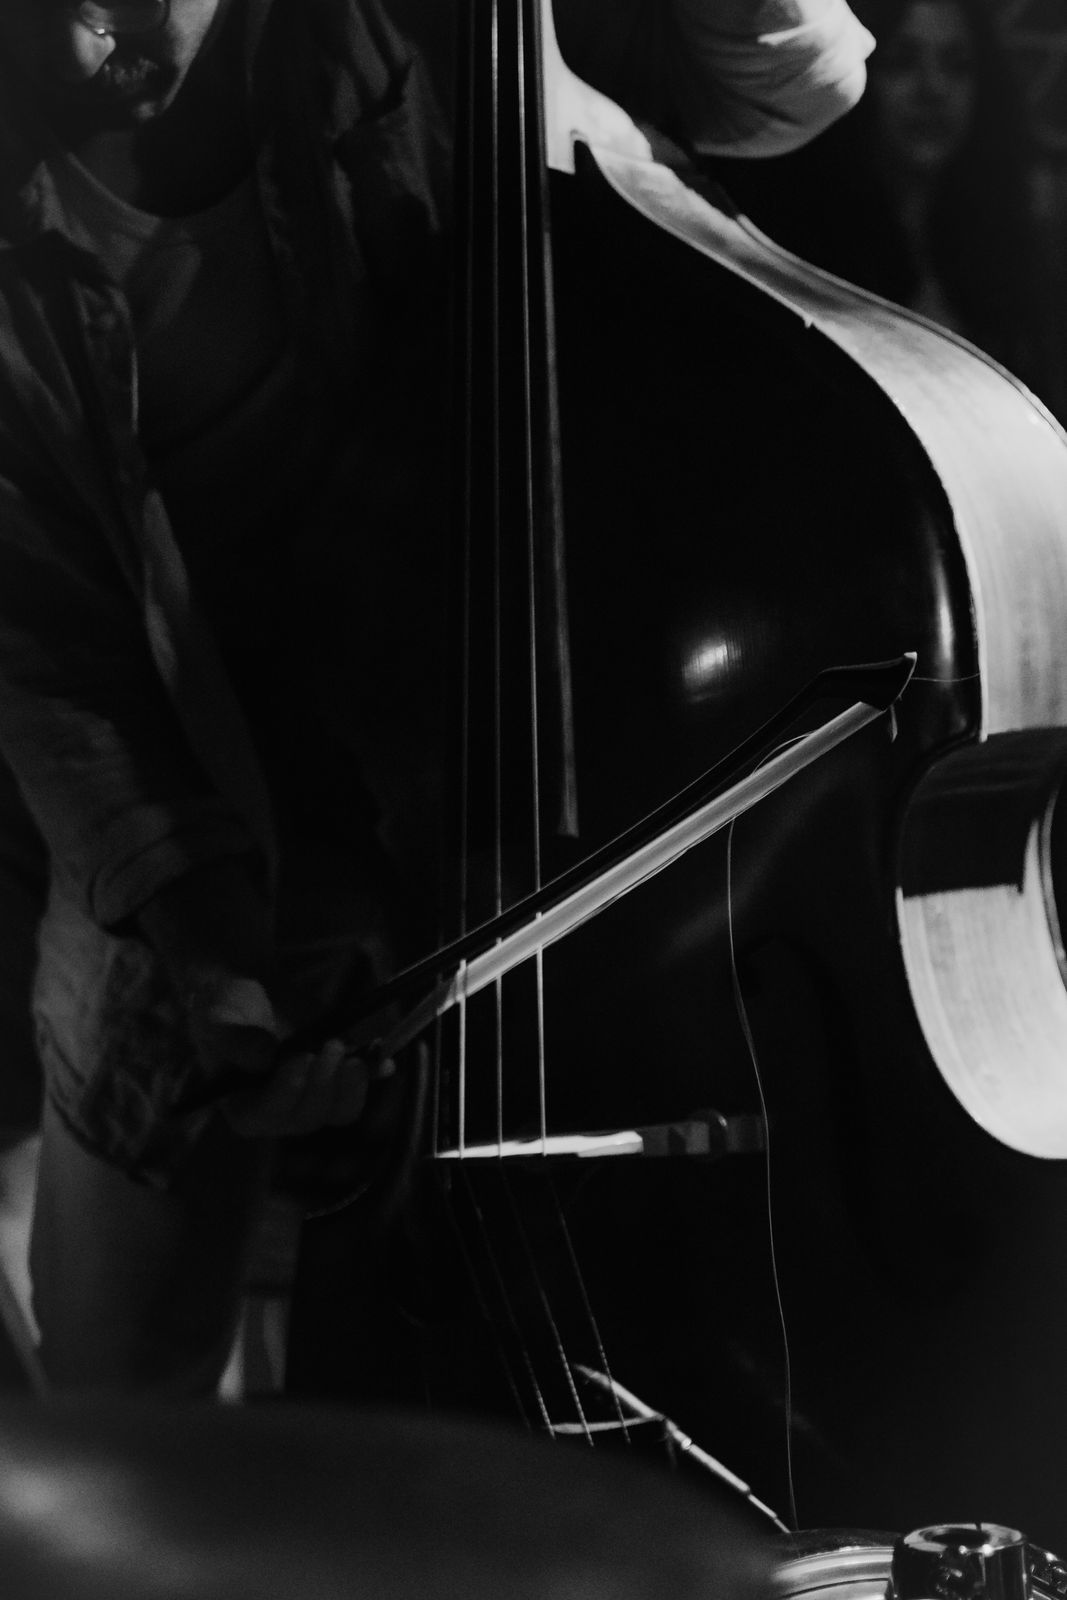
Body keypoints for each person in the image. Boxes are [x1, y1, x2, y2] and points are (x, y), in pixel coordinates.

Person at [0, 0, 874, 1395]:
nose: (73, 49)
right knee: (124, 1406)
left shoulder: (413, 24)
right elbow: (53, 659)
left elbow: (790, 89)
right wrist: (206, 950)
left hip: (513, 784)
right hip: (176, 827)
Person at [709, 0, 1060, 410]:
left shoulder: (1006, 256)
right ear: (859, 74)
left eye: (957, 65)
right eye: (902, 62)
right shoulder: (805, 251)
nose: (933, 88)